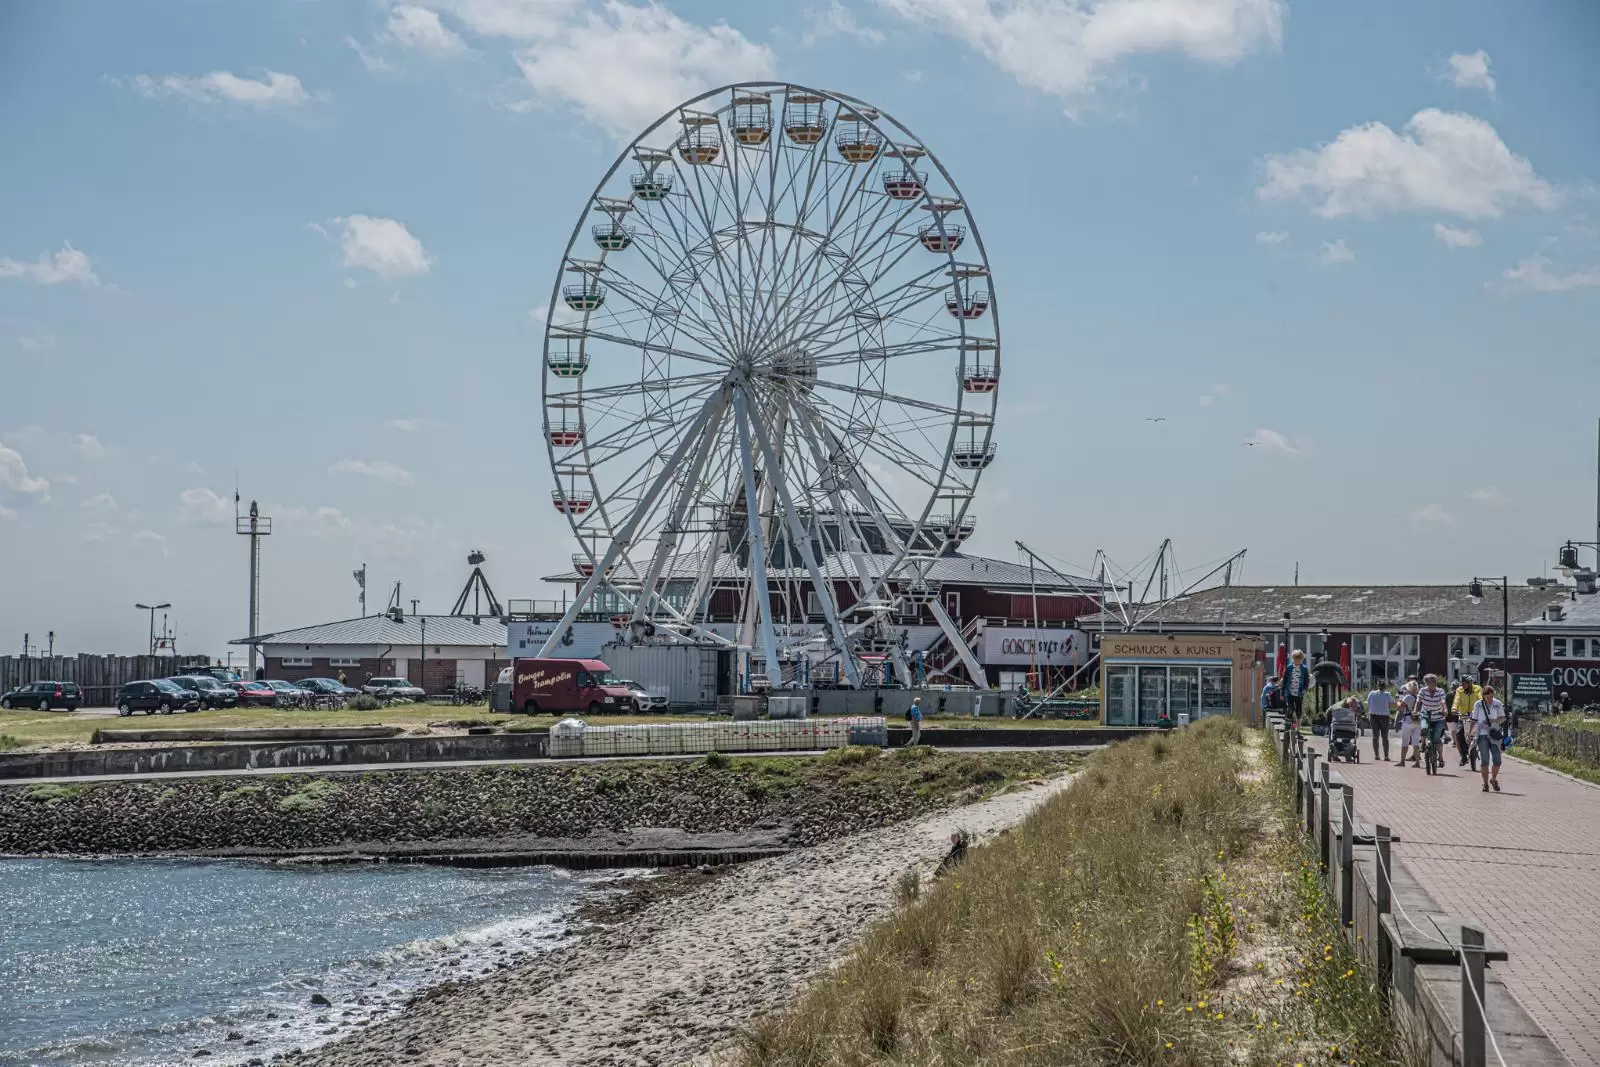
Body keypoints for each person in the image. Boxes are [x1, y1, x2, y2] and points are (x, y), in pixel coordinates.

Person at [1468, 685, 1507, 792]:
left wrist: (1493, 721)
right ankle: (1485, 784)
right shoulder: (1478, 705)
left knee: (1497, 760)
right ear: (1483, 696)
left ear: (1493, 695)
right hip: (1482, 734)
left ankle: (1493, 779)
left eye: (1490, 697)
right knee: (1484, 760)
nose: (1489, 699)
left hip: (1494, 734)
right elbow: (1474, 720)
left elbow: (1503, 718)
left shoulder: (1497, 704)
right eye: (1487, 697)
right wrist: (1470, 734)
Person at [1417, 674, 1448, 769]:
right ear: (1426, 683)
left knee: (1436, 738)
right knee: (1424, 728)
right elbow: (1418, 701)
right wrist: (1415, 710)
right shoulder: (1423, 690)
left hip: (1438, 717)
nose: (1433, 683)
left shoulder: (1440, 691)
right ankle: (1423, 744)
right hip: (1426, 715)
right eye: (1431, 681)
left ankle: (1441, 758)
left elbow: (1443, 701)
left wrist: (1445, 710)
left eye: (1434, 681)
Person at [1451, 677, 1480, 769]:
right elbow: (1457, 700)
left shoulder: (1477, 689)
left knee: (1479, 732)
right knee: (1459, 734)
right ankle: (1463, 756)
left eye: (1464, 683)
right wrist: (1454, 708)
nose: (1462, 685)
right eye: (1461, 683)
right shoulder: (1459, 690)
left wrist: (1482, 708)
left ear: (1470, 683)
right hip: (1463, 716)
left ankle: (1479, 747)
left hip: (1475, 716)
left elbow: (1480, 699)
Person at [1395, 680, 1421, 767]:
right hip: (1417, 721)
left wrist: (1398, 700)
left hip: (1408, 721)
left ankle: (1402, 761)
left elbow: (1400, 707)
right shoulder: (1419, 696)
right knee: (1415, 743)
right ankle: (1417, 762)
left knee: (1405, 742)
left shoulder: (1408, 697)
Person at [1282, 649, 1311, 727]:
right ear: (1293, 659)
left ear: (1302, 659)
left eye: (1299, 660)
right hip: (1289, 692)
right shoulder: (1289, 668)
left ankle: (1298, 730)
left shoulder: (1304, 669)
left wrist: (1304, 689)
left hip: (1299, 693)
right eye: (1296, 659)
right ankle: (1289, 728)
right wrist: (1282, 692)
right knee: (1290, 710)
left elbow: (1306, 681)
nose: (1297, 661)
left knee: (1299, 711)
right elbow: (1284, 680)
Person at [1366, 680, 1393, 760]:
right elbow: (1390, 704)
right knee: (1385, 737)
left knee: (1375, 736)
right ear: (1385, 687)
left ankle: (1377, 755)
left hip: (1373, 716)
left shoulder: (1371, 693)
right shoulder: (1387, 694)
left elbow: (1368, 703)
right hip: (1384, 716)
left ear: (1377, 686)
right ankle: (1386, 755)